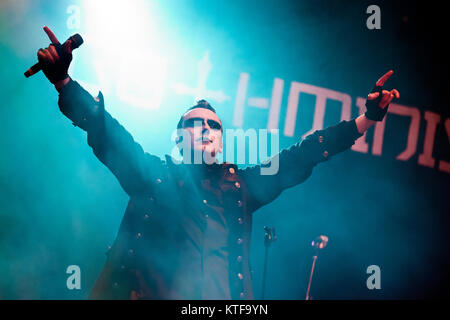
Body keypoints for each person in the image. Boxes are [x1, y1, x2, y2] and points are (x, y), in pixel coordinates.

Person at [35, 26, 400, 299]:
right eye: (195, 124)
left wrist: (365, 119)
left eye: (214, 125)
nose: (206, 129)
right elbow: (107, 131)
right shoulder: (154, 176)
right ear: (179, 139)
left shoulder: (244, 187)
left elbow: (300, 156)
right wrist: (64, 81)